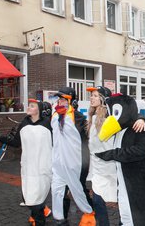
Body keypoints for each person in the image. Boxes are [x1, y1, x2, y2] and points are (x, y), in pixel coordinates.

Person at [86, 86, 145, 225]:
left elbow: (129, 117)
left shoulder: (111, 117)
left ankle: (123, 222)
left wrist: (142, 119)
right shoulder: (91, 117)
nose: (92, 98)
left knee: (121, 201)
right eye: (92, 95)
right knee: (98, 200)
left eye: (96, 95)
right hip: (98, 168)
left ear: (104, 100)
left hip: (112, 168)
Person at [95, 94, 145, 226]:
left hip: (138, 185)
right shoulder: (119, 130)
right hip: (124, 183)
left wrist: (113, 154)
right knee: (126, 215)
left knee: (140, 218)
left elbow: (141, 151)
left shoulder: (138, 128)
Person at [0, 99, 52, 226]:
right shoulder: (24, 123)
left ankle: (39, 219)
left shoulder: (48, 123)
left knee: (37, 199)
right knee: (29, 198)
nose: (28, 107)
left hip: (43, 167)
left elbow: (56, 143)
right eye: (29, 105)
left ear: (39, 110)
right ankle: (39, 214)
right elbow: (16, 142)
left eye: (32, 106)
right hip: (28, 168)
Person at [51, 87, 95, 225]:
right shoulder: (54, 116)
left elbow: (88, 137)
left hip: (78, 162)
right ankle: (60, 218)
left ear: (71, 101)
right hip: (59, 162)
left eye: (64, 99)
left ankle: (90, 212)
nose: (60, 101)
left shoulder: (79, 118)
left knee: (78, 188)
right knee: (58, 190)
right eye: (59, 99)